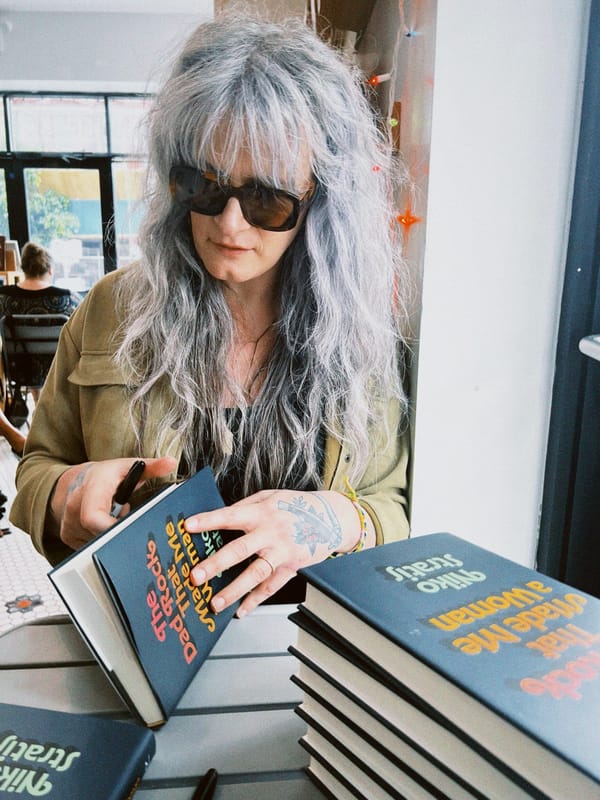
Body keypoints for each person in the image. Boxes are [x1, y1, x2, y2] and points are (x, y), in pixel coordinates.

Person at [10, 13, 411, 617]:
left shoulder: (358, 334)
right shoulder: (110, 310)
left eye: (267, 197)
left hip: (307, 648)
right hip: (142, 638)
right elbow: (36, 468)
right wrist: (64, 492)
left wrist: (334, 519)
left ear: (320, 200)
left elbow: (390, 506)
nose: (229, 223)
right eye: (205, 185)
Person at [0, 241, 81, 403]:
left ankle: (38, 402)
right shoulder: (68, 298)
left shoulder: (3, 298)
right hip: (58, 370)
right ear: (50, 269)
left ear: (23, 268)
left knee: (25, 352)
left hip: (18, 369)